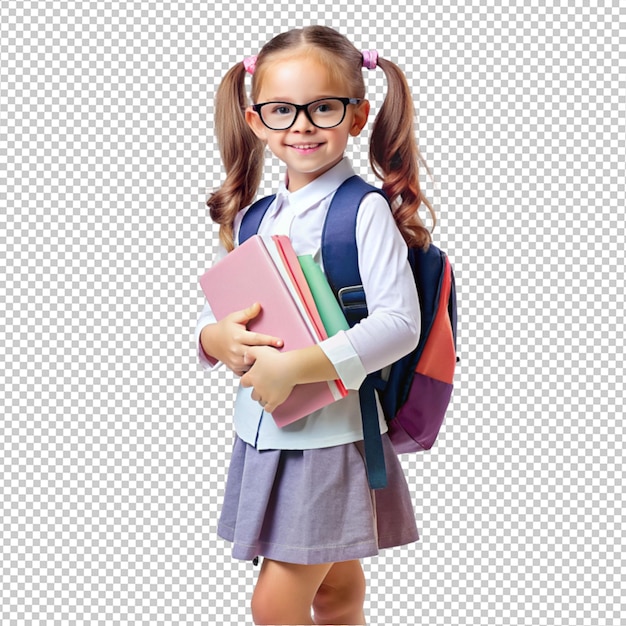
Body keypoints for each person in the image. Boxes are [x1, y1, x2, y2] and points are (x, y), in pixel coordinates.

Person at [195, 25, 436, 626]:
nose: (302, 125)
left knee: (274, 605)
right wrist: (212, 338)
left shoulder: (363, 210)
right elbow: (228, 308)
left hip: (329, 436)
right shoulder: (259, 215)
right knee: (332, 590)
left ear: (356, 117)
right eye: (282, 110)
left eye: (323, 107)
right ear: (256, 122)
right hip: (267, 432)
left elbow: (400, 324)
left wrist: (295, 366)